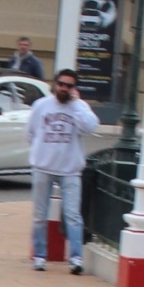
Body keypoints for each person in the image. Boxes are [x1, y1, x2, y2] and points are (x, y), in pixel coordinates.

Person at [26, 68, 98, 275]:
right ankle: (40, 255)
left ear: (74, 88)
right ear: (55, 84)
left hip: (70, 170)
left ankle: (76, 258)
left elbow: (91, 127)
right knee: (40, 215)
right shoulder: (41, 106)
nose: (64, 88)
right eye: (61, 84)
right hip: (43, 167)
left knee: (73, 215)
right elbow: (30, 133)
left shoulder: (79, 107)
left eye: (69, 85)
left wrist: (76, 104)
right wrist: (42, 153)